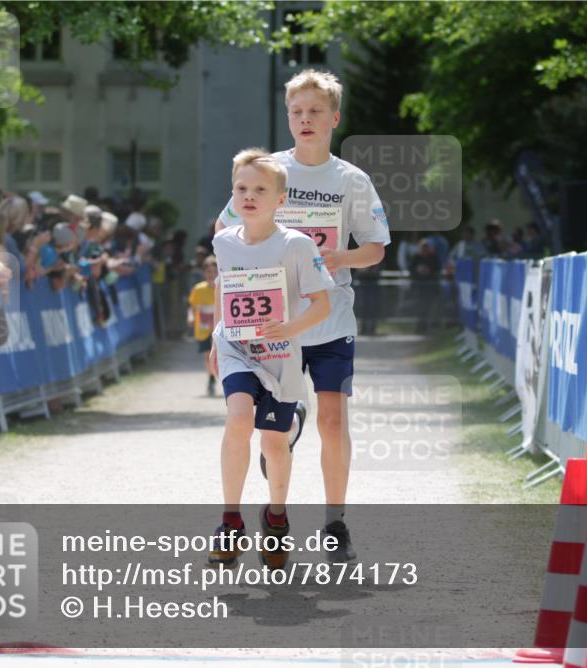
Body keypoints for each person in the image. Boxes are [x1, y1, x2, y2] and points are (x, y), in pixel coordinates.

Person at [215, 70, 390, 561]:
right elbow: (224, 230)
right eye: (297, 111)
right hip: (272, 328)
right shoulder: (269, 172)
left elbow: (375, 249)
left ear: (334, 118)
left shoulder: (351, 180)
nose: (306, 119)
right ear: (288, 117)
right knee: (270, 429)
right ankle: (285, 431)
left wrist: (338, 260)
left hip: (329, 316)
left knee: (333, 423)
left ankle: (335, 521)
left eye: (316, 111)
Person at [208, 148, 333, 569]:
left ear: (280, 200)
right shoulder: (223, 241)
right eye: (241, 188)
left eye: (260, 189)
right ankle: (230, 521)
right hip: (236, 347)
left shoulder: (296, 245)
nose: (249, 195)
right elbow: (224, 291)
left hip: (280, 353)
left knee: (274, 442)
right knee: (239, 418)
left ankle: (275, 516)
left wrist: (290, 330)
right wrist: (214, 338)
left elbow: (321, 305)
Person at [188, 255, 219, 396]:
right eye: (208, 272)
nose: (211, 275)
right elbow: (192, 306)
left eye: (214, 271)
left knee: (221, 356)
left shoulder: (225, 287)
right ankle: (211, 378)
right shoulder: (198, 289)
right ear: (204, 273)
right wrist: (190, 317)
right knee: (208, 357)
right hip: (204, 329)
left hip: (220, 328)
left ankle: (223, 379)